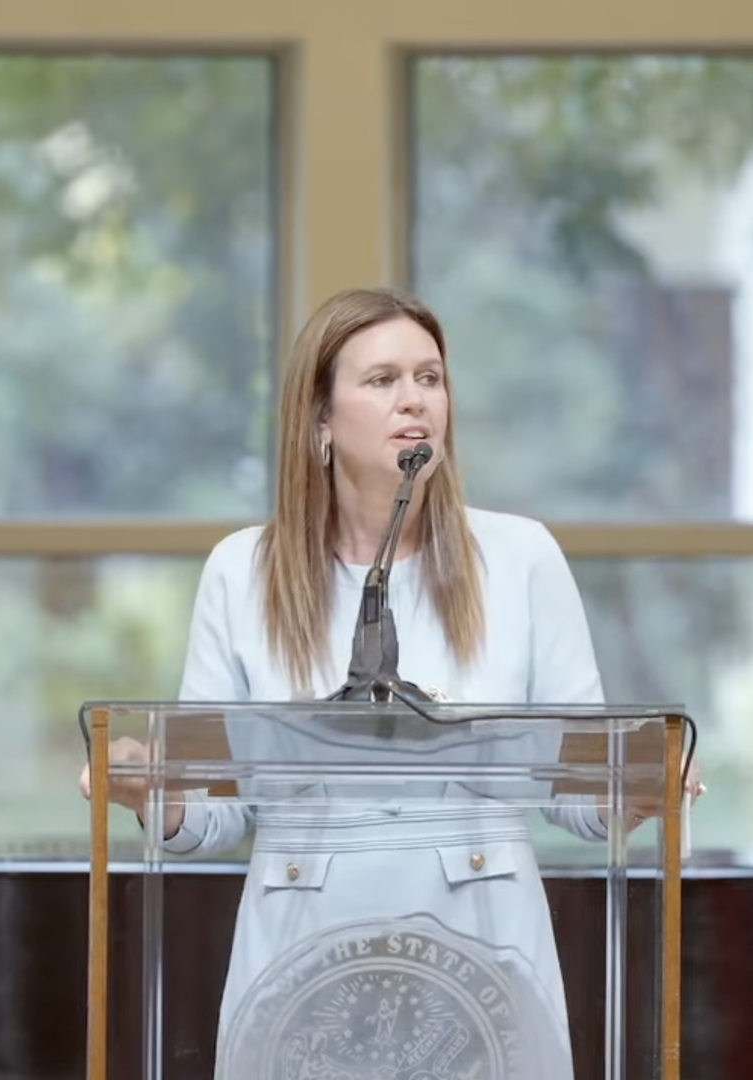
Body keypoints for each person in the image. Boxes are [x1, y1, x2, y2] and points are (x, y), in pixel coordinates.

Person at [82, 287, 701, 1078]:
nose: (416, 401)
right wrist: (149, 789)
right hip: (303, 959)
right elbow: (216, 806)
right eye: (382, 381)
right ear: (320, 421)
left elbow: (573, 784)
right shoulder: (243, 571)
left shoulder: (521, 558)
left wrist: (643, 784)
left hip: (484, 955)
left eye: (431, 378)